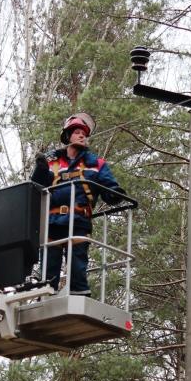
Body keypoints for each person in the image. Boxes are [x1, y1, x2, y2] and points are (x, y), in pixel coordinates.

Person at [31, 112, 123, 296]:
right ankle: (47, 298)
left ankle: (79, 297)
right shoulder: (52, 163)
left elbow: (110, 187)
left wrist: (115, 194)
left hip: (79, 221)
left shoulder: (96, 164)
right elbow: (36, 188)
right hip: (52, 221)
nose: (82, 135)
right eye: (77, 132)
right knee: (49, 271)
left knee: (77, 267)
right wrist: (40, 170)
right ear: (67, 136)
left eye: (85, 133)